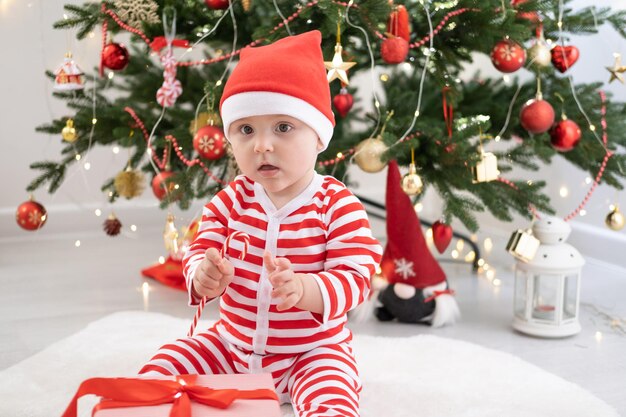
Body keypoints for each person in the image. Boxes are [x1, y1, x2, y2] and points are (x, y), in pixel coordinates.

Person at [139, 30, 383, 417]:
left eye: (283, 127)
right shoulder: (232, 200)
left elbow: (357, 277)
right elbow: (200, 248)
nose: (262, 145)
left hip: (311, 352)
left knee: (332, 394)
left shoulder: (336, 205)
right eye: (246, 129)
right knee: (168, 361)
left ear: (318, 136)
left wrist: (306, 288)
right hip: (231, 346)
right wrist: (202, 274)